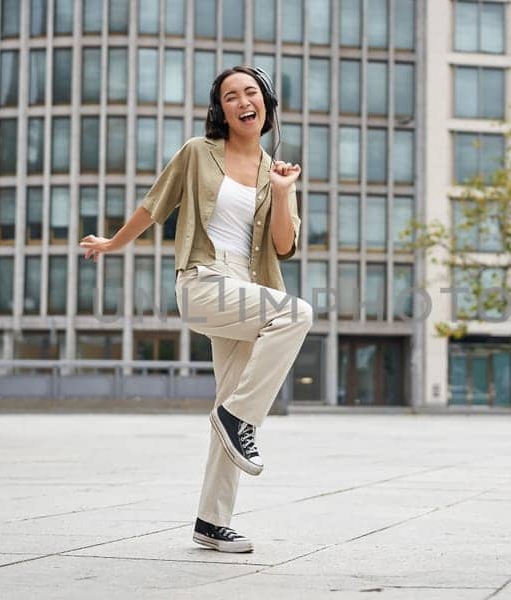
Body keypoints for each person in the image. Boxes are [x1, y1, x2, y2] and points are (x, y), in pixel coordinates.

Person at [79, 66, 312, 554]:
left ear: (266, 103)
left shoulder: (275, 172)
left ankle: (211, 520)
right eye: (231, 96)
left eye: (251, 92)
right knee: (296, 315)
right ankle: (239, 419)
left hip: (248, 289)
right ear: (221, 110)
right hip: (205, 281)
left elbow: (284, 245)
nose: (242, 101)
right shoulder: (197, 153)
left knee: (230, 403)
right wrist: (113, 243)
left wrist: (286, 195)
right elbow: (153, 206)